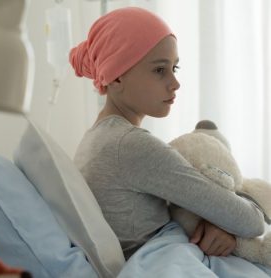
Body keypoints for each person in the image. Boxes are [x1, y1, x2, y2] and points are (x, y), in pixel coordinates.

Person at [70, 7, 271, 276]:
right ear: (117, 75)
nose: (175, 82)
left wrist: (217, 222)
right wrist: (225, 223)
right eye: (159, 70)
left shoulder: (96, 139)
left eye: (174, 68)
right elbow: (251, 222)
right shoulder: (130, 145)